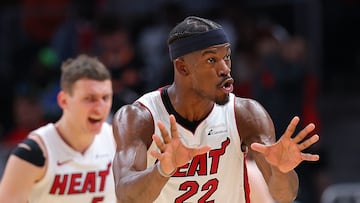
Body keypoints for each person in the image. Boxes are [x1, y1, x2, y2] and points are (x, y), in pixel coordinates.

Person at [112, 16, 320, 203]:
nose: (225, 69)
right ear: (183, 67)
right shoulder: (140, 117)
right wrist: (162, 170)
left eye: (226, 57)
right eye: (211, 59)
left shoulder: (246, 114)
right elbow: (125, 195)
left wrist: (281, 170)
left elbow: (284, 195)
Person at [0, 54, 117, 203]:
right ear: (63, 100)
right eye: (89, 99)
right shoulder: (34, 152)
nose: (100, 108)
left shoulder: (117, 141)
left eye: (105, 98)